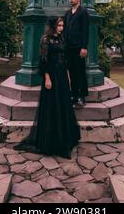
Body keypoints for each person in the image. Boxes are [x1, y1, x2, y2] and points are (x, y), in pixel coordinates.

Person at [13, 17, 80, 159]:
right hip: (52, 75)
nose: (62, 27)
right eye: (59, 25)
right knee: (51, 106)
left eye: (62, 25)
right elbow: (44, 60)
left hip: (62, 75)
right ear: (53, 26)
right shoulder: (45, 39)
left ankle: (63, 140)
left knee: (63, 104)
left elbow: (65, 59)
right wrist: (47, 78)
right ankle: (50, 141)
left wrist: (68, 77)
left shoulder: (62, 39)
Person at [64, 0, 89, 107]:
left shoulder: (83, 12)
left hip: (79, 48)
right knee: (72, 73)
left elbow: (85, 31)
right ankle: (73, 95)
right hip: (69, 48)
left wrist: (84, 47)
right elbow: (65, 31)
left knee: (80, 72)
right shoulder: (68, 13)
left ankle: (81, 96)